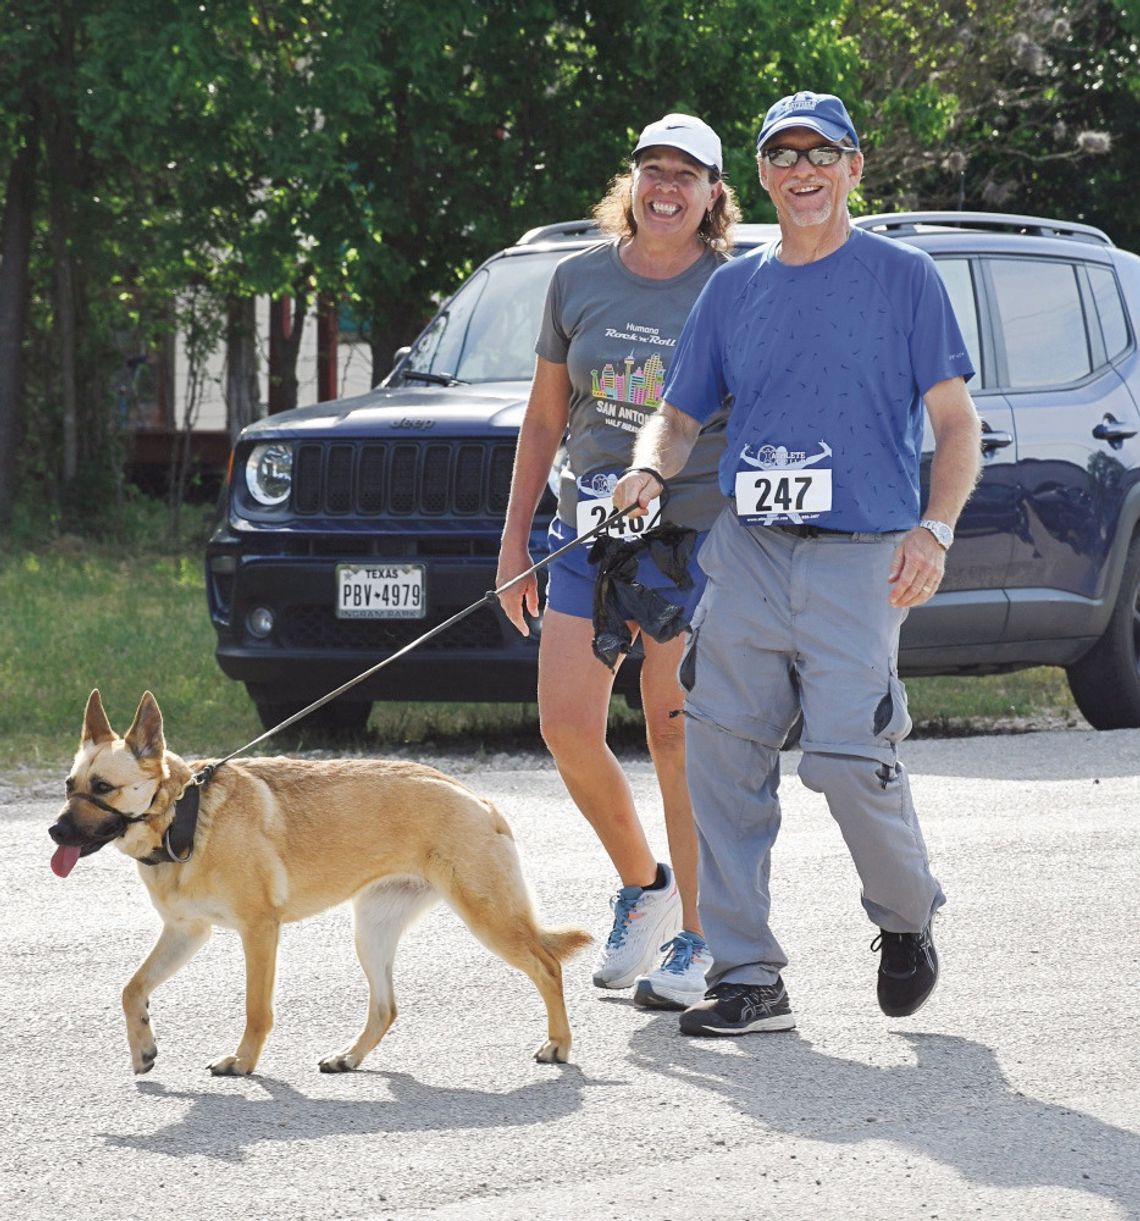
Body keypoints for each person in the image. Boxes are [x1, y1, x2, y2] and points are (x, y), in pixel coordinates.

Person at [613, 91, 982, 1035]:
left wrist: (933, 531)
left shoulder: (903, 279)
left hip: (865, 557)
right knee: (723, 756)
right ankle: (748, 977)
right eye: (784, 155)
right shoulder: (734, 287)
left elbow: (954, 424)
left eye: (823, 153)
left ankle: (906, 919)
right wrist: (650, 464)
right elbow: (683, 410)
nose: (803, 169)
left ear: (854, 168)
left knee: (849, 758)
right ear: (764, 178)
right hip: (748, 553)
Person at [495, 114, 741, 1010]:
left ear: (714, 193)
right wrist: (513, 542)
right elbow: (542, 419)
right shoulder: (577, 280)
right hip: (585, 535)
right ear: (630, 182)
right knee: (565, 725)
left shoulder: (735, 285)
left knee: (675, 732)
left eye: (687, 174)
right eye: (652, 170)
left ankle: (702, 938)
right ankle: (646, 884)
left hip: (692, 542)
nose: (666, 187)